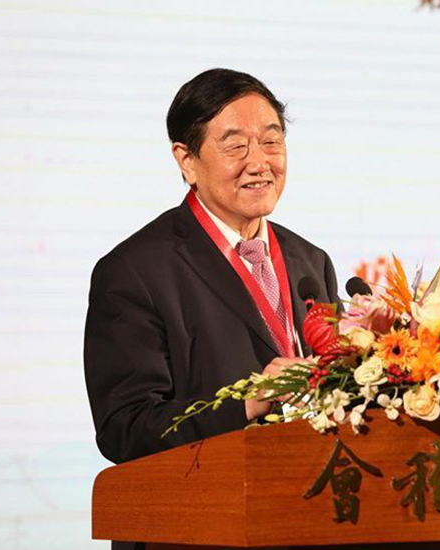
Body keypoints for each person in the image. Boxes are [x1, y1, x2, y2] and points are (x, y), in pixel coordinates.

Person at [83, 69, 340, 472]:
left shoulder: (311, 261)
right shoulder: (134, 272)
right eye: (236, 146)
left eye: (271, 142)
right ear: (187, 160)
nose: (259, 163)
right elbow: (124, 427)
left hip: (304, 492)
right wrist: (248, 403)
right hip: (207, 500)